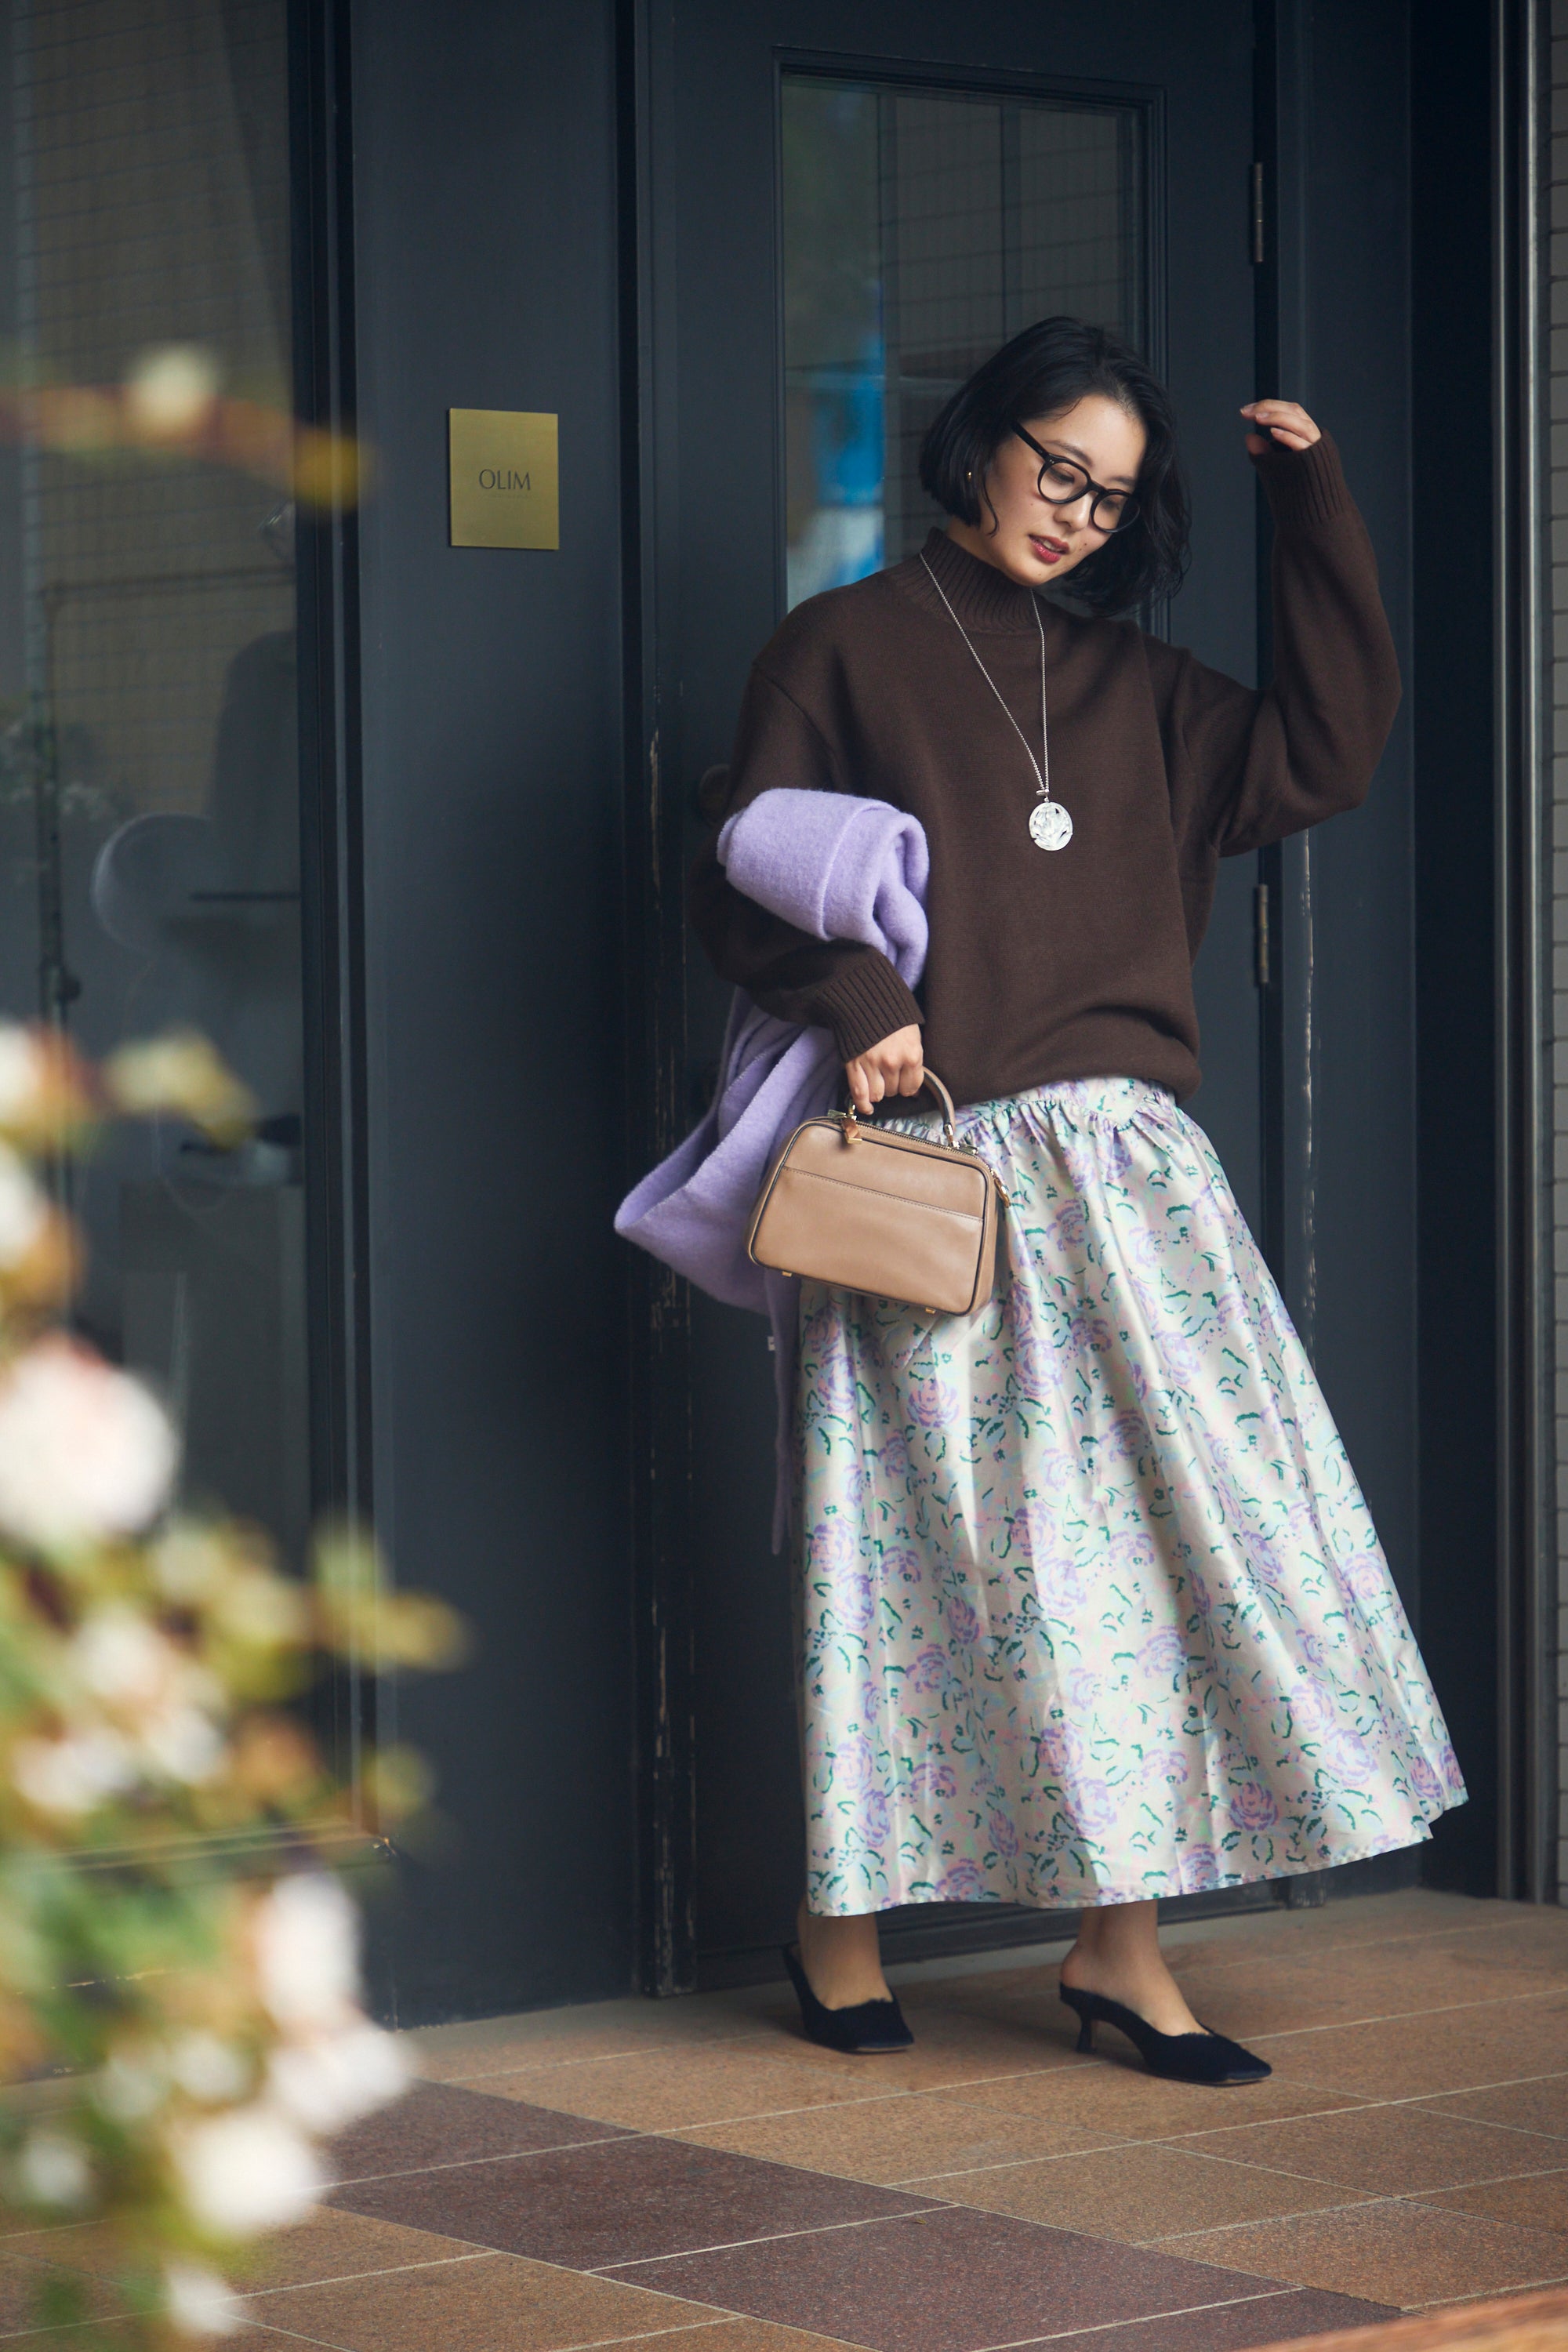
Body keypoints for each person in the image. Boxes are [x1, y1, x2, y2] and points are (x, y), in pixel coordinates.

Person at [688, 316, 1464, 2085]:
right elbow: (740, 864)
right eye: (1057, 469)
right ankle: (840, 1925)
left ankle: (1121, 1950)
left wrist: (1315, 512)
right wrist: (863, 1004)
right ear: (983, 442)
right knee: (907, 1566)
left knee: (1152, 1565)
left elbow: (1331, 748)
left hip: (1129, 1182)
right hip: (935, 1176)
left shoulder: (1149, 692)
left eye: (1110, 497)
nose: (1074, 513)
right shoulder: (840, 647)